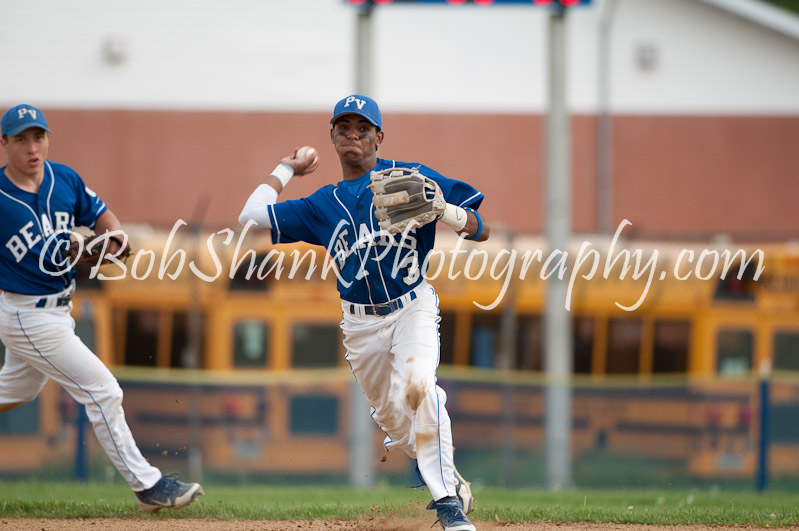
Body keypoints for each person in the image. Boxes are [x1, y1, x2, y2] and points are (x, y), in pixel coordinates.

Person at [239, 94, 489, 531]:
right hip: (359, 323)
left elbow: (481, 229)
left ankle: (447, 504)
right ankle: (453, 478)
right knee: (395, 419)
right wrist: (287, 168)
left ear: (378, 136)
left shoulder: (412, 179)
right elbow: (251, 216)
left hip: (412, 306)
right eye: (344, 128)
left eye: (362, 128)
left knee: (419, 389)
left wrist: (444, 210)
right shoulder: (322, 204)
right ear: (333, 138)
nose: (352, 135)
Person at [0, 104, 202, 513]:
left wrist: (115, 236)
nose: (31, 146)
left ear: (48, 139)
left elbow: (101, 216)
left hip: (57, 311)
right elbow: (62, 253)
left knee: (17, 389)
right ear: (4, 144)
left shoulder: (64, 179)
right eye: (20, 138)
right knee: (102, 389)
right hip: (26, 314)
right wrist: (88, 249)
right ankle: (148, 486)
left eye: (38, 136)